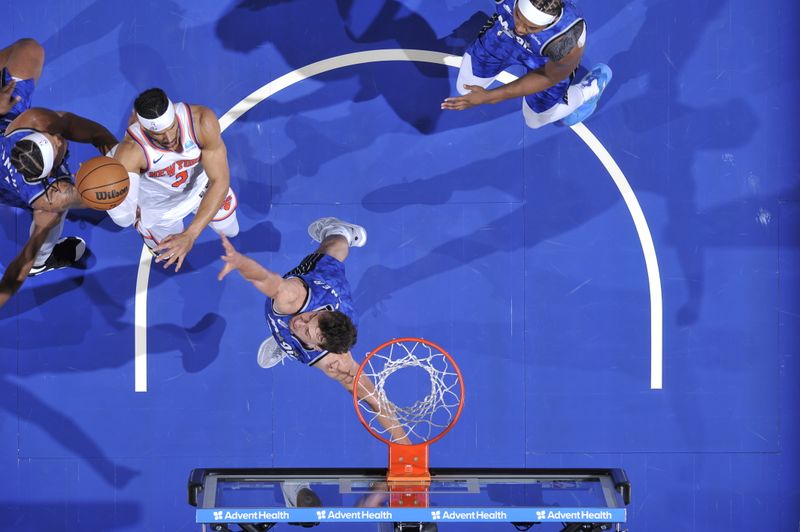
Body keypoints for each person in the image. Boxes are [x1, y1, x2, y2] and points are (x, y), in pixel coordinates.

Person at [217, 217, 410, 444]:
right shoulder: (293, 299)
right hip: (324, 283)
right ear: (321, 311)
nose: (300, 322)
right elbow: (266, 280)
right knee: (334, 249)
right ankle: (341, 230)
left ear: (321, 347)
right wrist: (240, 262)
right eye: (311, 318)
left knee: (353, 381)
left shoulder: (336, 362)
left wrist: (407, 452)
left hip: (336, 326)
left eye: (310, 333)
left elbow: (373, 399)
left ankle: (286, 343)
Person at [0, 40, 118, 308]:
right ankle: (44, 261)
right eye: (56, 143)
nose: (56, 136)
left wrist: (111, 145)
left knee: (29, 49)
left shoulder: (31, 122)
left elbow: (73, 124)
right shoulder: (51, 199)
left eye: (48, 136)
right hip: (11, 186)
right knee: (52, 220)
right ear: (50, 171)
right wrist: (116, 182)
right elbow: (17, 270)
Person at [108, 88, 239, 272]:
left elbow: (220, 180)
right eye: (159, 134)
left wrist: (191, 234)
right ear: (143, 128)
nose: (169, 138)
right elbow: (123, 219)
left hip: (202, 190)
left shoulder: (201, 121)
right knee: (169, 256)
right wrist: (114, 199)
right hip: (160, 210)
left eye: (171, 128)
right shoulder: (131, 151)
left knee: (231, 230)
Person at [441, 0, 612, 128]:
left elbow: (547, 77)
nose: (521, 29)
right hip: (502, 38)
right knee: (465, 88)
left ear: (549, 23)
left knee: (535, 120)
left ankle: (588, 91)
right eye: (518, 16)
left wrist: (489, 97)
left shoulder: (566, 38)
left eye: (531, 28)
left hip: (544, 63)